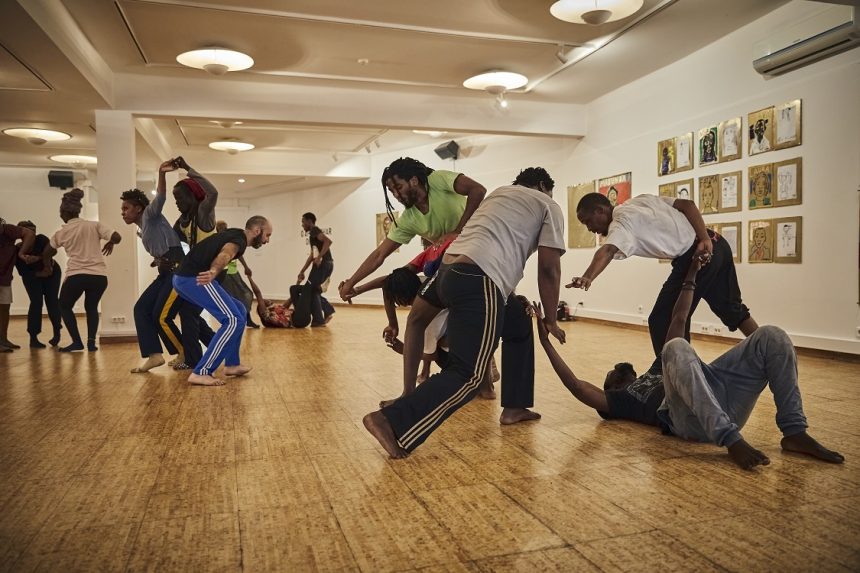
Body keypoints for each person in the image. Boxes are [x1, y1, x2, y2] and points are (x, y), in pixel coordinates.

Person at [536, 257, 844, 470]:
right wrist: (546, 343)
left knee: (771, 336)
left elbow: (680, 317)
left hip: (722, 397)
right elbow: (576, 386)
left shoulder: (658, 368)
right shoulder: (621, 402)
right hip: (694, 423)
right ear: (613, 387)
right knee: (676, 347)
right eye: (609, 377)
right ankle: (731, 440)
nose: (612, 372)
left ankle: (794, 432)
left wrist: (693, 273)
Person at [362, 166, 567, 458]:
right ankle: (391, 421)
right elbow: (549, 267)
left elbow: (491, 241)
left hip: (446, 271)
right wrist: (551, 317)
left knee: (518, 325)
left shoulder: (498, 195)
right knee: (469, 373)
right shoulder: (548, 204)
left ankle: (515, 406)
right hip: (479, 278)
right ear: (544, 186)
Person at [570, 192, 758, 374]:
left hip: (694, 257)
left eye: (587, 221)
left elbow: (608, 250)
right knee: (731, 308)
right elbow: (688, 205)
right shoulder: (639, 201)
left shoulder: (620, 223)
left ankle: (680, 380)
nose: (589, 228)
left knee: (662, 320)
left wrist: (588, 276)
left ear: (600, 210)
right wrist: (705, 238)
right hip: (717, 244)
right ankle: (771, 351)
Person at [338, 157, 486, 301]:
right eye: (392, 191)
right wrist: (352, 284)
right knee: (401, 285)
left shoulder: (437, 179)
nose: (396, 195)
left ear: (414, 181)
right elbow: (379, 255)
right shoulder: (408, 220)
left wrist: (458, 231)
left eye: (399, 188)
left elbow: (478, 190)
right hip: (451, 263)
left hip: (480, 248)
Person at [172, 216, 272, 386]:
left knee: (239, 310)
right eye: (267, 235)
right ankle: (202, 372)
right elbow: (226, 253)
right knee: (233, 319)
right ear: (257, 231)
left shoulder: (236, 233)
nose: (267, 240)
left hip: (184, 278)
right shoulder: (238, 241)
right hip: (195, 278)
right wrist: (213, 271)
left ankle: (232, 364)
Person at [120, 160, 187, 373]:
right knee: (141, 308)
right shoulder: (142, 228)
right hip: (165, 271)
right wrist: (158, 259)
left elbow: (161, 196)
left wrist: (161, 173)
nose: (123, 212)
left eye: (126, 208)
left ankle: (184, 352)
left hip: (177, 269)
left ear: (138, 208)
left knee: (161, 315)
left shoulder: (150, 215)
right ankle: (155, 355)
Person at [43, 189, 122, 352]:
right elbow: (117, 237)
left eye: (60, 212)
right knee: (91, 308)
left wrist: (47, 265)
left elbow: (47, 252)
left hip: (76, 275)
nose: (60, 215)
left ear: (64, 212)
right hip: (99, 277)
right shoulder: (94, 225)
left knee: (64, 306)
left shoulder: (61, 233)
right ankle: (91, 343)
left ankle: (77, 342)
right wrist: (111, 242)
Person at [169, 156, 217, 370]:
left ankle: (194, 359)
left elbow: (213, 192)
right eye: (175, 199)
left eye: (180, 198)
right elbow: (171, 240)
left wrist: (188, 168)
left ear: (193, 196)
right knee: (190, 313)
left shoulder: (203, 214)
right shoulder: (182, 221)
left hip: (211, 274)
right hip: (197, 274)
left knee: (189, 313)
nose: (177, 203)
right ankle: (216, 347)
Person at [14, 220, 61, 349]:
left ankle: (57, 333)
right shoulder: (17, 250)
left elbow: (52, 252)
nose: (32, 234)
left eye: (33, 230)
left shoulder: (41, 239)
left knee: (52, 301)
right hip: (32, 276)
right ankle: (33, 337)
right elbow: (23, 272)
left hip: (52, 272)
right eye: (29, 231)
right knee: (36, 302)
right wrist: (39, 274)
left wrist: (39, 259)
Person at [215, 220, 259, 329]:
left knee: (247, 294)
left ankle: (246, 319)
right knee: (232, 298)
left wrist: (246, 266)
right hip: (224, 275)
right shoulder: (216, 240)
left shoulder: (230, 238)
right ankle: (234, 321)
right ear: (217, 229)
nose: (224, 229)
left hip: (233, 272)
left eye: (225, 227)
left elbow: (238, 254)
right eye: (222, 228)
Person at [0, 218, 36, 351]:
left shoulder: (8, 229)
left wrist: (21, 253)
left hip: (4, 278)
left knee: (4, 308)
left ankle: (3, 339)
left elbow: (29, 234)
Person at [296, 213, 334, 326]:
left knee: (312, 290)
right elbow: (312, 254)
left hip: (324, 264)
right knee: (313, 290)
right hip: (325, 264)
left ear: (309, 221)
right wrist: (302, 270)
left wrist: (319, 257)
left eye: (303, 222)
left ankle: (320, 319)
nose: (302, 224)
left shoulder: (314, 231)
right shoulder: (312, 235)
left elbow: (328, 241)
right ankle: (326, 313)